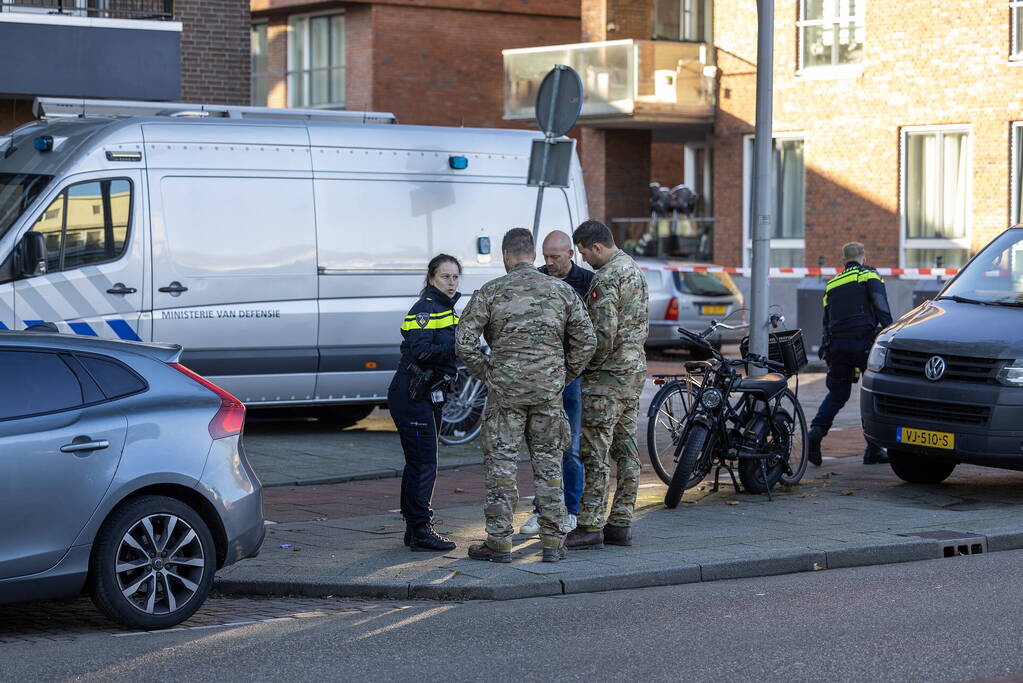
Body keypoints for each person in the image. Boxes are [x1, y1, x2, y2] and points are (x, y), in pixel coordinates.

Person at [455, 228, 596, 563]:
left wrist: (488, 372)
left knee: (501, 468)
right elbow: (587, 341)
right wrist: (564, 374)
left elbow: (463, 342)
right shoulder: (561, 291)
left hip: (505, 393)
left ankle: (500, 542)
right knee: (550, 467)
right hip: (548, 393)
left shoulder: (491, 292)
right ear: (533, 255)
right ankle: (552, 543)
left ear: (506, 256)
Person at [566, 220, 649, 550]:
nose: (585, 260)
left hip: (606, 378)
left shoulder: (606, 277)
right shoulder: (633, 268)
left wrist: (583, 368)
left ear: (597, 246)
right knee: (626, 448)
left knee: (594, 451)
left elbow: (603, 335)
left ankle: (590, 524)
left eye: (584, 253)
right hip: (632, 372)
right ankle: (622, 522)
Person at [518, 230, 593, 537]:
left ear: (570, 254)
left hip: (569, 379)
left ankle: (571, 509)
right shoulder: (537, 278)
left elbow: (590, 336)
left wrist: (572, 372)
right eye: (545, 257)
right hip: (540, 378)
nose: (549, 263)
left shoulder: (586, 283)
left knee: (570, 446)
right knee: (542, 447)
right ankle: (542, 509)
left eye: (556, 257)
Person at [388, 254, 462, 552]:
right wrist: (457, 345)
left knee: (419, 462)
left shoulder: (447, 309)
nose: (452, 282)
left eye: (456, 276)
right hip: (412, 394)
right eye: (445, 276)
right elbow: (421, 350)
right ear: (432, 278)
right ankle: (421, 529)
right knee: (424, 463)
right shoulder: (425, 309)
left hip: (427, 394)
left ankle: (414, 528)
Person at [808, 242, 894, 466]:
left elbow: (826, 320)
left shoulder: (832, 283)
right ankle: (873, 449)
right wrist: (890, 333)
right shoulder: (869, 276)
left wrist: (827, 347)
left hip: (837, 347)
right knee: (871, 394)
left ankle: (816, 431)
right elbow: (881, 305)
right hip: (864, 343)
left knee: (837, 395)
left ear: (843, 259)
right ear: (863, 257)